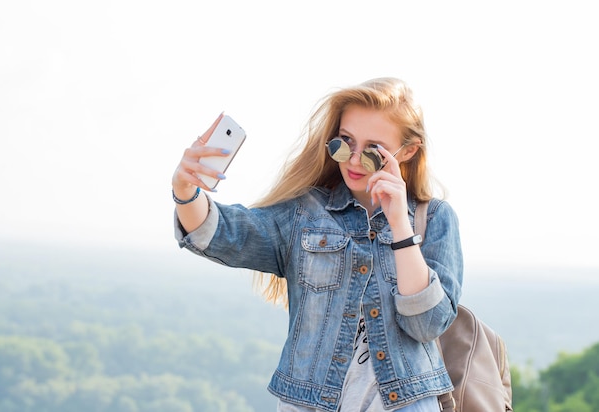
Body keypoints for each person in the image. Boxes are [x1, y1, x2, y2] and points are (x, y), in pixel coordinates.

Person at [172, 77, 463, 411]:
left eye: (371, 152)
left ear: (407, 151)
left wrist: (399, 224)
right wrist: (185, 190)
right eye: (344, 144)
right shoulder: (303, 214)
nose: (353, 161)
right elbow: (223, 233)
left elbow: (426, 324)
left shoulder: (435, 219)